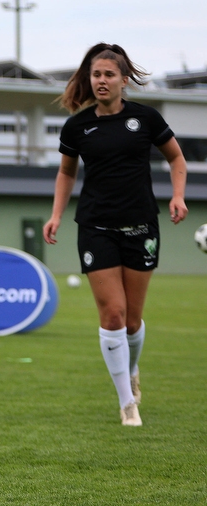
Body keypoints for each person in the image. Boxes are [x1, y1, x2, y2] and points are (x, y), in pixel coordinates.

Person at [43, 43, 187, 427]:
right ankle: (127, 403)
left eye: (108, 75)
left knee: (133, 322)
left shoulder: (146, 118)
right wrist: (56, 214)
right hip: (95, 227)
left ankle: (132, 368)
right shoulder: (78, 125)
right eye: (95, 75)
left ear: (124, 80)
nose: (101, 81)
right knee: (112, 315)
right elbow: (66, 173)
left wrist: (177, 196)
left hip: (141, 226)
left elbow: (176, 158)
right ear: (88, 80)